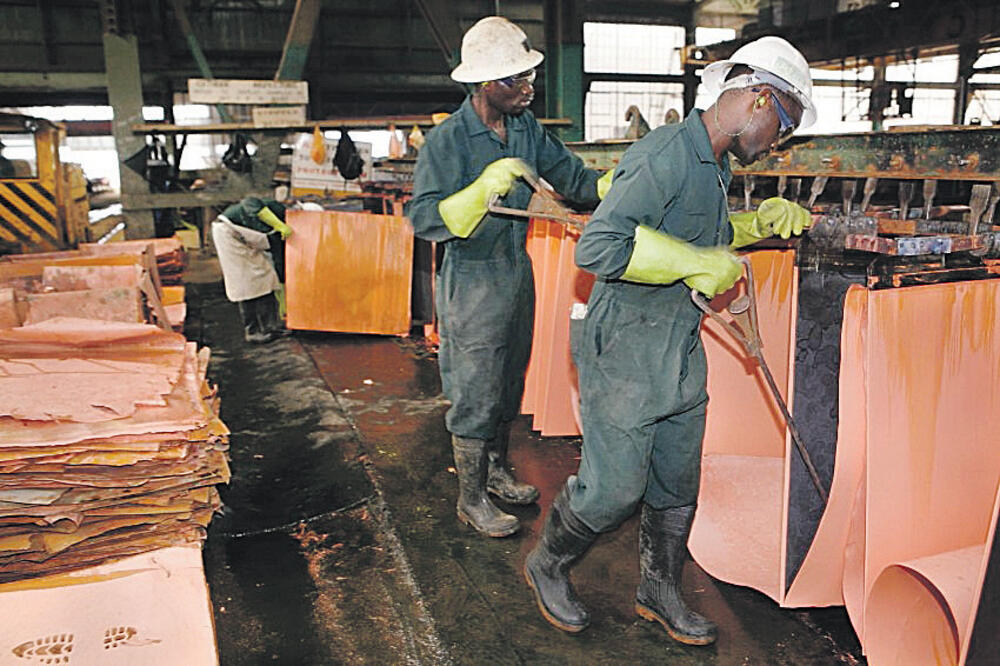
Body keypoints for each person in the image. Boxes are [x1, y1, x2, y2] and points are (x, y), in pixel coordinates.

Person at [524, 36, 816, 645]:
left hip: (678, 347)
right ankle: (547, 561)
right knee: (614, 489)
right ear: (760, 98)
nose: (776, 144)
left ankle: (658, 590)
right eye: (782, 127)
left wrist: (756, 226)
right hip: (626, 347)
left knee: (677, 481)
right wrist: (694, 263)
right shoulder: (664, 156)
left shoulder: (716, 164)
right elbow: (599, 247)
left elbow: (699, 235)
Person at [407, 16, 613, 538]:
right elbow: (426, 219)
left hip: (515, 272)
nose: (527, 89)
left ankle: (496, 471)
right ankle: (470, 497)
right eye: (513, 81)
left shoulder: (525, 128)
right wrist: (479, 190)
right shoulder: (447, 142)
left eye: (528, 77)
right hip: (471, 280)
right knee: (475, 388)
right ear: (481, 84)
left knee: (507, 381)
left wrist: (620, 184)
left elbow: (573, 180)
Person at [211, 195, 293, 344]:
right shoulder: (272, 210)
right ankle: (253, 331)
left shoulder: (280, 221)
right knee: (245, 284)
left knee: (266, 280)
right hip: (229, 234)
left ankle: (271, 326)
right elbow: (250, 202)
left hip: (242, 237)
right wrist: (278, 225)